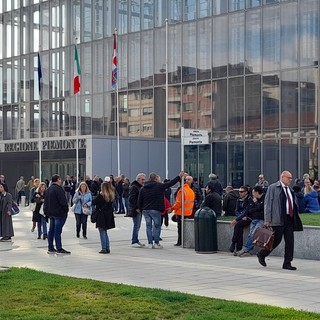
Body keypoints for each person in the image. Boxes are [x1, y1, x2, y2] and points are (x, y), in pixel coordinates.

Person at [257, 171, 303, 270]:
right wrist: (267, 219)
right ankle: (262, 254)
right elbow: (268, 204)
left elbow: (292, 203)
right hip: (278, 219)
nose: (290, 180)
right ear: (282, 177)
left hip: (289, 219)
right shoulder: (273, 188)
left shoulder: (289, 189)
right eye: (288, 178)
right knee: (276, 240)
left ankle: (287, 263)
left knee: (290, 242)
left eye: (291, 178)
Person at [138, 171, 184, 249]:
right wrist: (179, 177)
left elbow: (139, 200)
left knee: (148, 226)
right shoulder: (159, 186)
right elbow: (170, 183)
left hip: (146, 210)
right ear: (156, 179)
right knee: (157, 226)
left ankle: (149, 243)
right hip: (155, 209)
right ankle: (156, 243)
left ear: (149, 179)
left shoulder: (143, 188)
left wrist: (140, 208)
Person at [44, 174, 70, 254]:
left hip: (51, 213)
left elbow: (46, 202)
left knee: (51, 230)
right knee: (57, 231)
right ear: (58, 180)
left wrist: (46, 213)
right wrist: (66, 210)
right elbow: (63, 201)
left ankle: (50, 247)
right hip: (59, 213)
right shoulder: (59, 189)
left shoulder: (48, 189)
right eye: (60, 179)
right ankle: (59, 248)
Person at [235, 186, 265, 257]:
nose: (252, 194)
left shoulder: (263, 198)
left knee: (254, 234)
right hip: (254, 219)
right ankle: (249, 250)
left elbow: (261, 207)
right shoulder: (252, 199)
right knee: (250, 234)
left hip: (261, 219)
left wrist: (256, 203)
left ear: (257, 192)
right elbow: (250, 209)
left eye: (253, 192)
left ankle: (245, 249)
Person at [169, 175, 195, 247]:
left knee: (180, 229)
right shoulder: (190, 191)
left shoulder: (182, 190)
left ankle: (180, 242)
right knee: (186, 229)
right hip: (189, 213)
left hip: (181, 213)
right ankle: (186, 242)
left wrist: (172, 208)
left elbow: (178, 203)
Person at [92, 179, 116, 254]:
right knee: (105, 231)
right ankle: (107, 247)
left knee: (102, 231)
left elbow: (94, 202)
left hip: (101, 215)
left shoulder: (101, 195)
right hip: (108, 215)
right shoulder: (111, 195)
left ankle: (104, 248)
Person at [229, 185, 254, 254]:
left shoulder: (249, 199)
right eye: (239, 191)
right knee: (239, 228)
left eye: (242, 192)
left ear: (246, 192)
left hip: (249, 217)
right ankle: (238, 247)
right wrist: (240, 216)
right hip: (241, 217)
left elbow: (247, 211)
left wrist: (237, 219)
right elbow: (236, 210)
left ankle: (233, 243)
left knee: (238, 225)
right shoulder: (238, 199)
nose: (240, 193)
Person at [128, 173, 146, 248]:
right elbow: (132, 199)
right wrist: (136, 207)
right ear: (138, 179)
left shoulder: (139, 187)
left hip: (139, 209)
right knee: (136, 225)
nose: (143, 181)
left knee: (138, 225)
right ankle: (134, 240)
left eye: (144, 179)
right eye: (142, 179)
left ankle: (136, 239)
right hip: (136, 210)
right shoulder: (134, 187)